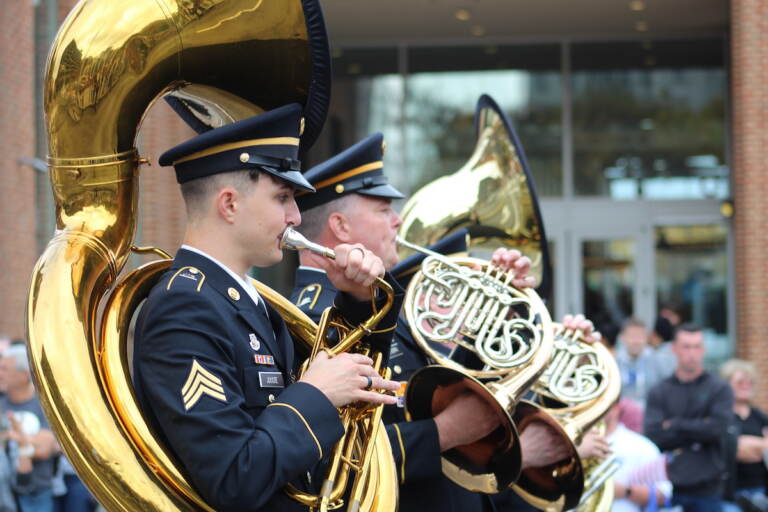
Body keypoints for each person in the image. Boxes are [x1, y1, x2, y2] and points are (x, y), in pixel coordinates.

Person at [291, 133, 587, 512]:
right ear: (341, 226)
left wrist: (499, 313)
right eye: (383, 209)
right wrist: (442, 433)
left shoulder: (382, 305)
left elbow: (445, 394)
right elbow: (332, 456)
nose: (398, 220)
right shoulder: (313, 318)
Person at [132, 105, 403, 512]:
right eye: (283, 198)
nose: (296, 217)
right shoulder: (185, 307)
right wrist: (315, 393)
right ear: (229, 204)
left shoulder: (243, 299)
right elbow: (234, 477)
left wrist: (361, 299)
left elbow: (351, 387)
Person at [644, 323, 734, 511]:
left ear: (703, 350)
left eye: (696, 346)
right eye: (686, 346)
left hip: (708, 490)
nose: (691, 353)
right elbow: (653, 434)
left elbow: (717, 429)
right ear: (674, 349)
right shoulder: (660, 390)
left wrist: (674, 424)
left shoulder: (719, 388)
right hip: (669, 488)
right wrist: (701, 426)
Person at [0, 345, 59, 512]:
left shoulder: (43, 406)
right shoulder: (1, 404)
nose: (0, 374)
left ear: (24, 375)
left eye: (4, 369)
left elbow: (45, 449)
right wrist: (29, 442)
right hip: (4, 494)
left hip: (36, 494)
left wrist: (19, 440)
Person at [602, 401, 672, 511]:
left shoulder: (642, 446)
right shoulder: (574, 447)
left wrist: (625, 491)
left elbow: (663, 497)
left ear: (616, 407)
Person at [720, 359, 768, 509]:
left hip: (761, 490)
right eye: (740, 382)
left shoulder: (760, 417)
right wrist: (761, 445)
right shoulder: (721, 417)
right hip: (730, 493)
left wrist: (749, 444)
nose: (746, 386)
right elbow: (736, 449)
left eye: (750, 382)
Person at [615, 318, 665, 410]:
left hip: (649, 415)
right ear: (622, 338)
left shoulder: (657, 362)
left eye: (640, 336)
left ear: (646, 338)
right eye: (632, 336)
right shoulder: (615, 362)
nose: (636, 341)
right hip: (621, 415)